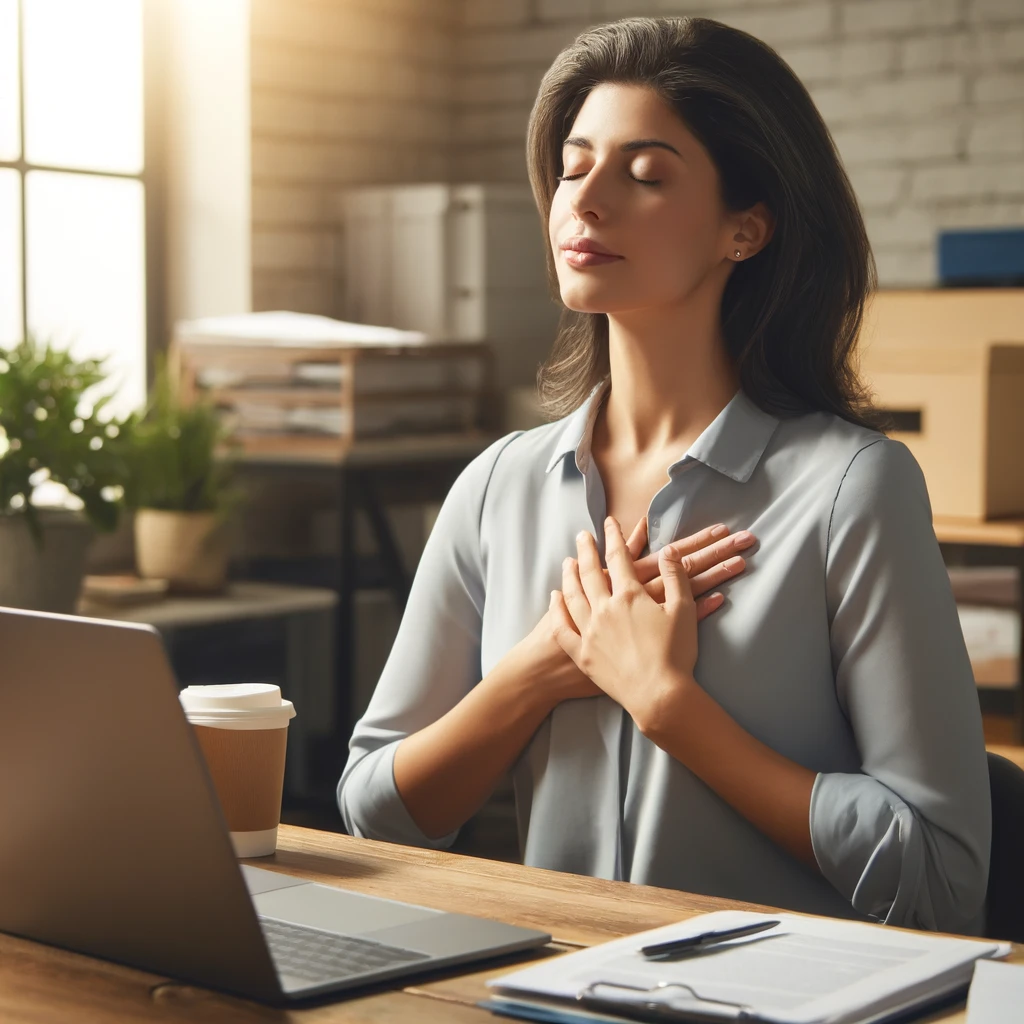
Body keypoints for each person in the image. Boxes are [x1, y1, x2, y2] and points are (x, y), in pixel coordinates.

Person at [338, 16, 991, 934]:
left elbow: (936, 878)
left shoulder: (854, 489)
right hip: (545, 990)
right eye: (572, 166)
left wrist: (668, 705)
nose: (586, 200)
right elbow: (379, 810)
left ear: (746, 228)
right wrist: (537, 673)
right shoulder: (497, 486)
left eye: (645, 175)